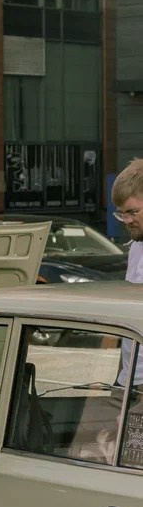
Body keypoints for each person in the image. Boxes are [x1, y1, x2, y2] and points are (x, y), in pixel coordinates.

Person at [112, 158, 143, 387]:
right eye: (122, 214)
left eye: (132, 211)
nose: (127, 221)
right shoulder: (136, 248)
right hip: (129, 382)